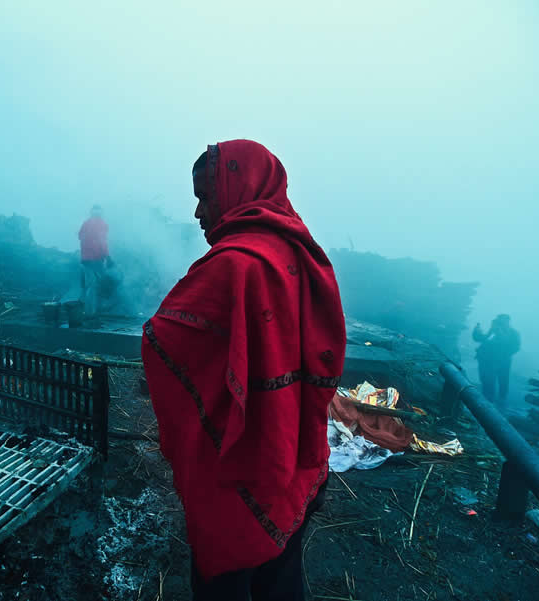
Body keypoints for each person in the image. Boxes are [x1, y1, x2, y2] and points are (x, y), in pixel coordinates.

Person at [141, 140, 346, 601]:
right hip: (296, 457)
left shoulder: (233, 265)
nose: (198, 212)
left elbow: (159, 339)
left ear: (237, 187)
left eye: (204, 195)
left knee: (227, 585)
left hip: (242, 475)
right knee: (282, 579)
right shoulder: (301, 252)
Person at [473, 314, 521, 408]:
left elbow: (515, 347)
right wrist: (476, 331)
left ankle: (500, 402)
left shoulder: (513, 333)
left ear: (508, 322)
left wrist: (502, 353)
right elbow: (481, 339)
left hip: (503, 361)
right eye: (498, 321)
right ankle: (487, 403)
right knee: (487, 380)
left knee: (503, 381)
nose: (500, 323)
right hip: (487, 360)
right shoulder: (494, 331)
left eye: (502, 321)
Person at [78, 205, 112, 316]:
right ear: (101, 213)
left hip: (85, 259)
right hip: (96, 258)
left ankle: (86, 310)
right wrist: (108, 257)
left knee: (89, 284)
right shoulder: (102, 224)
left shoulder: (86, 223)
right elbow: (102, 241)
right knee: (97, 284)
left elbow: (79, 236)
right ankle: (92, 312)